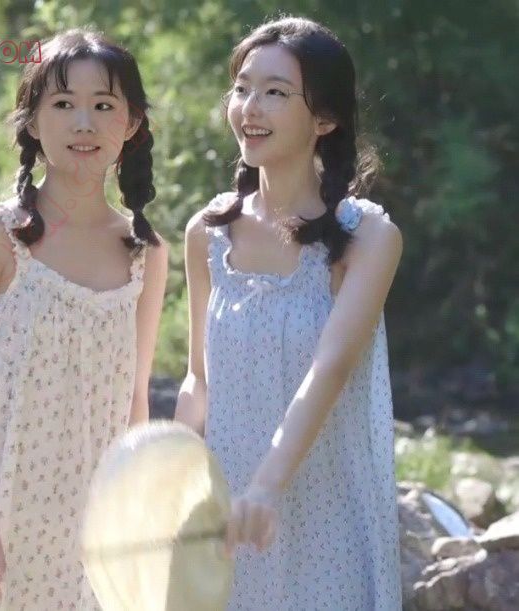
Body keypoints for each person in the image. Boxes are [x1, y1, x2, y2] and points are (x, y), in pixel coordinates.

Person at [0, 28, 169, 609]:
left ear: (132, 124)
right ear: (31, 121)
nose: (84, 123)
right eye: (63, 104)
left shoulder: (147, 254)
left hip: (87, 529)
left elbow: (134, 400)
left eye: (104, 106)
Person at [175, 16, 403, 609]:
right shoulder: (206, 233)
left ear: (324, 119)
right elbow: (199, 380)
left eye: (275, 92)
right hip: (233, 521)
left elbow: (330, 369)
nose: (249, 107)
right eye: (242, 88)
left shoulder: (367, 237)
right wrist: (171, 479)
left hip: (327, 515)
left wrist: (267, 485)